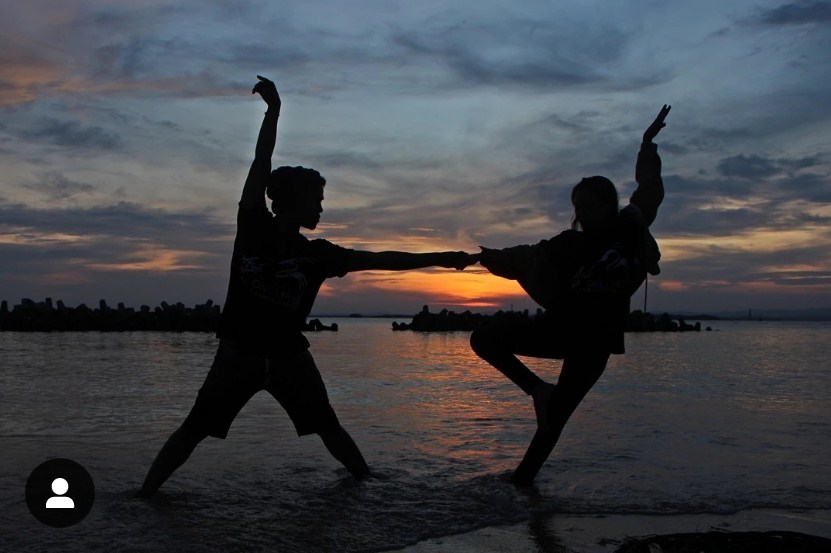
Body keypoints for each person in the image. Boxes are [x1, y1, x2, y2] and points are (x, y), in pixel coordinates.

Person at [137, 76, 477, 498]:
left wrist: (443, 258)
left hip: (289, 358)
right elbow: (261, 159)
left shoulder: (319, 255)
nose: (320, 207)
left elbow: (384, 260)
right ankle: (142, 497)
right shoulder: (253, 224)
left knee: (327, 426)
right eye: (315, 199)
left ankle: (369, 488)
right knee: (194, 429)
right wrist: (274, 111)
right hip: (237, 356)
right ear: (288, 201)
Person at [470, 105, 671, 486]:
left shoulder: (629, 229)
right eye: (576, 206)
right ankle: (537, 390)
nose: (580, 212)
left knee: (554, 422)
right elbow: (526, 256)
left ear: (607, 204)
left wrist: (647, 145)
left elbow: (650, 189)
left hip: (595, 343)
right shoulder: (568, 244)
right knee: (483, 338)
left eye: (587, 205)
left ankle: (520, 486)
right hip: (559, 329)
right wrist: (480, 258)